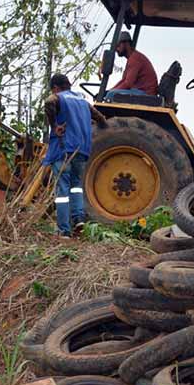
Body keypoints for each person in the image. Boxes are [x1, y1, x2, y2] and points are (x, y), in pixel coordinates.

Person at [43, 73, 108, 237]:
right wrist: (102, 125)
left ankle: (64, 230)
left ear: (56, 88)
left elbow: (49, 102)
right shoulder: (83, 101)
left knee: (62, 191)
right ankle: (78, 220)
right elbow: (101, 118)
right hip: (82, 150)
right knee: (76, 186)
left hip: (64, 150)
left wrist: (54, 125)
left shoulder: (59, 97)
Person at [105, 31, 158, 100]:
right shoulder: (132, 58)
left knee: (111, 95)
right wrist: (108, 91)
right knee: (110, 93)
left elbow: (128, 84)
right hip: (139, 91)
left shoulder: (135, 59)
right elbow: (124, 81)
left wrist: (109, 93)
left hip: (146, 94)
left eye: (118, 46)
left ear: (126, 44)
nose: (116, 50)